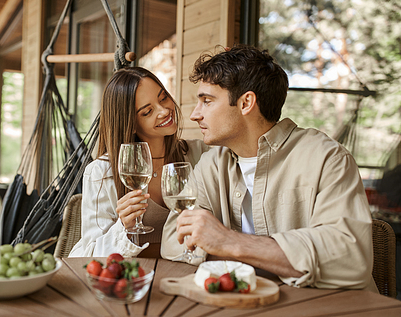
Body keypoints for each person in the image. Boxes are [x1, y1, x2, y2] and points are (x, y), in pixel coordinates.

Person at [161, 44, 378, 292]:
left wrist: (228, 242)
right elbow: (172, 240)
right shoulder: (213, 163)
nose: (194, 115)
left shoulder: (327, 158)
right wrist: (269, 256)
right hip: (247, 302)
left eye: (207, 101)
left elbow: (350, 258)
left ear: (246, 103)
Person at [69, 67, 209, 258]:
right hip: (132, 279)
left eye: (163, 98)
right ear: (131, 123)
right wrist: (124, 226)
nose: (164, 110)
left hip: (182, 275)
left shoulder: (198, 153)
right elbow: (90, 254)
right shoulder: (102, 172)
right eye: (148, 111)